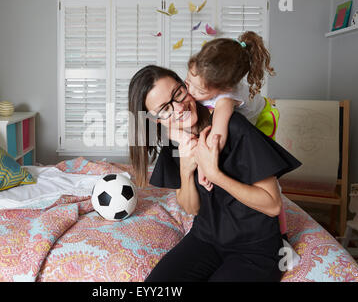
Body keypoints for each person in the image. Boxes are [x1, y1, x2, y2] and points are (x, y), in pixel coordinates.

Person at [128, 65, 301, 281]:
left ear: (186, 85)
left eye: (178, 94)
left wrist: (214, 173)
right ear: (155, 119)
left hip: (256, 247)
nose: (179, 108)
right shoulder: (175, 143)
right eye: (165, 109)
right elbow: (191, 207)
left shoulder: (234, 127)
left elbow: (273, 205)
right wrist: (185, 168)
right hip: (205, 239)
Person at [186, 31, 288, 237]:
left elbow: (218, 137)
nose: (192, 93)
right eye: (188, 83)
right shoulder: (203, 76)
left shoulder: (226, 100)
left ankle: (281, 230)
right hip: (241, 121)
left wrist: (205, 167)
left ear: (224, 87)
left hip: (262, 120)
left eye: (199, 91)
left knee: (261, 171)